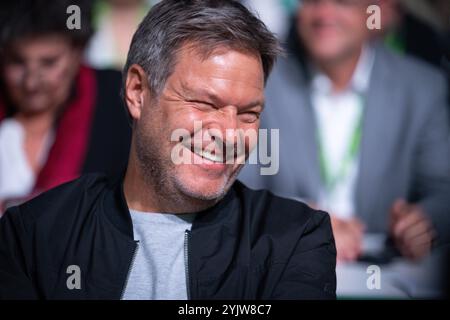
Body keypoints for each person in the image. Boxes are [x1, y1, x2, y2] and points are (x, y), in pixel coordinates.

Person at [0, 0, 336, 300]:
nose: (230, 134)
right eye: (205, 103)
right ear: (137, 91)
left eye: (249, 114)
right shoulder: (33, 235)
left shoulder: (293, 239)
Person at [239, 0, 450, 262]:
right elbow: (240, 188)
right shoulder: (261, 81)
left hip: (387, 271)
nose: (325, 13)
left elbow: (443, 191)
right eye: (313, 1)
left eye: (343, 2)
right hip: (289, 261)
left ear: (374, 13)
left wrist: (424, 222)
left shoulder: (422, 88)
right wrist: (302, 220)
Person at [0, 0, 132, 213]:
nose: (31, 82)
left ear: (77, 52)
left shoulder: (121, 105)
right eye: (17, 62)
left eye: (49, 63)